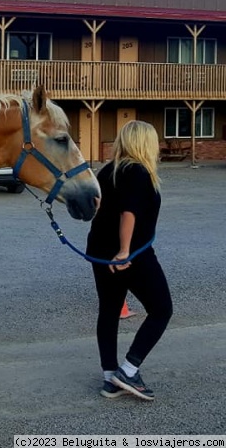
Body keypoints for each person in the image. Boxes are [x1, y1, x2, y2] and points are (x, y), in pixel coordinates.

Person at [86, 120, 173, 401]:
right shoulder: (137, 171)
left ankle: (110, 377)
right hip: (131, 255)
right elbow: (129, 213)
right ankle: (129, 369)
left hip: (100, 253)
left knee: (109, 310)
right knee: (161, 309)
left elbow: (97, 209)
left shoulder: (108, 171)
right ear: (144, 143)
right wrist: (124, 250)